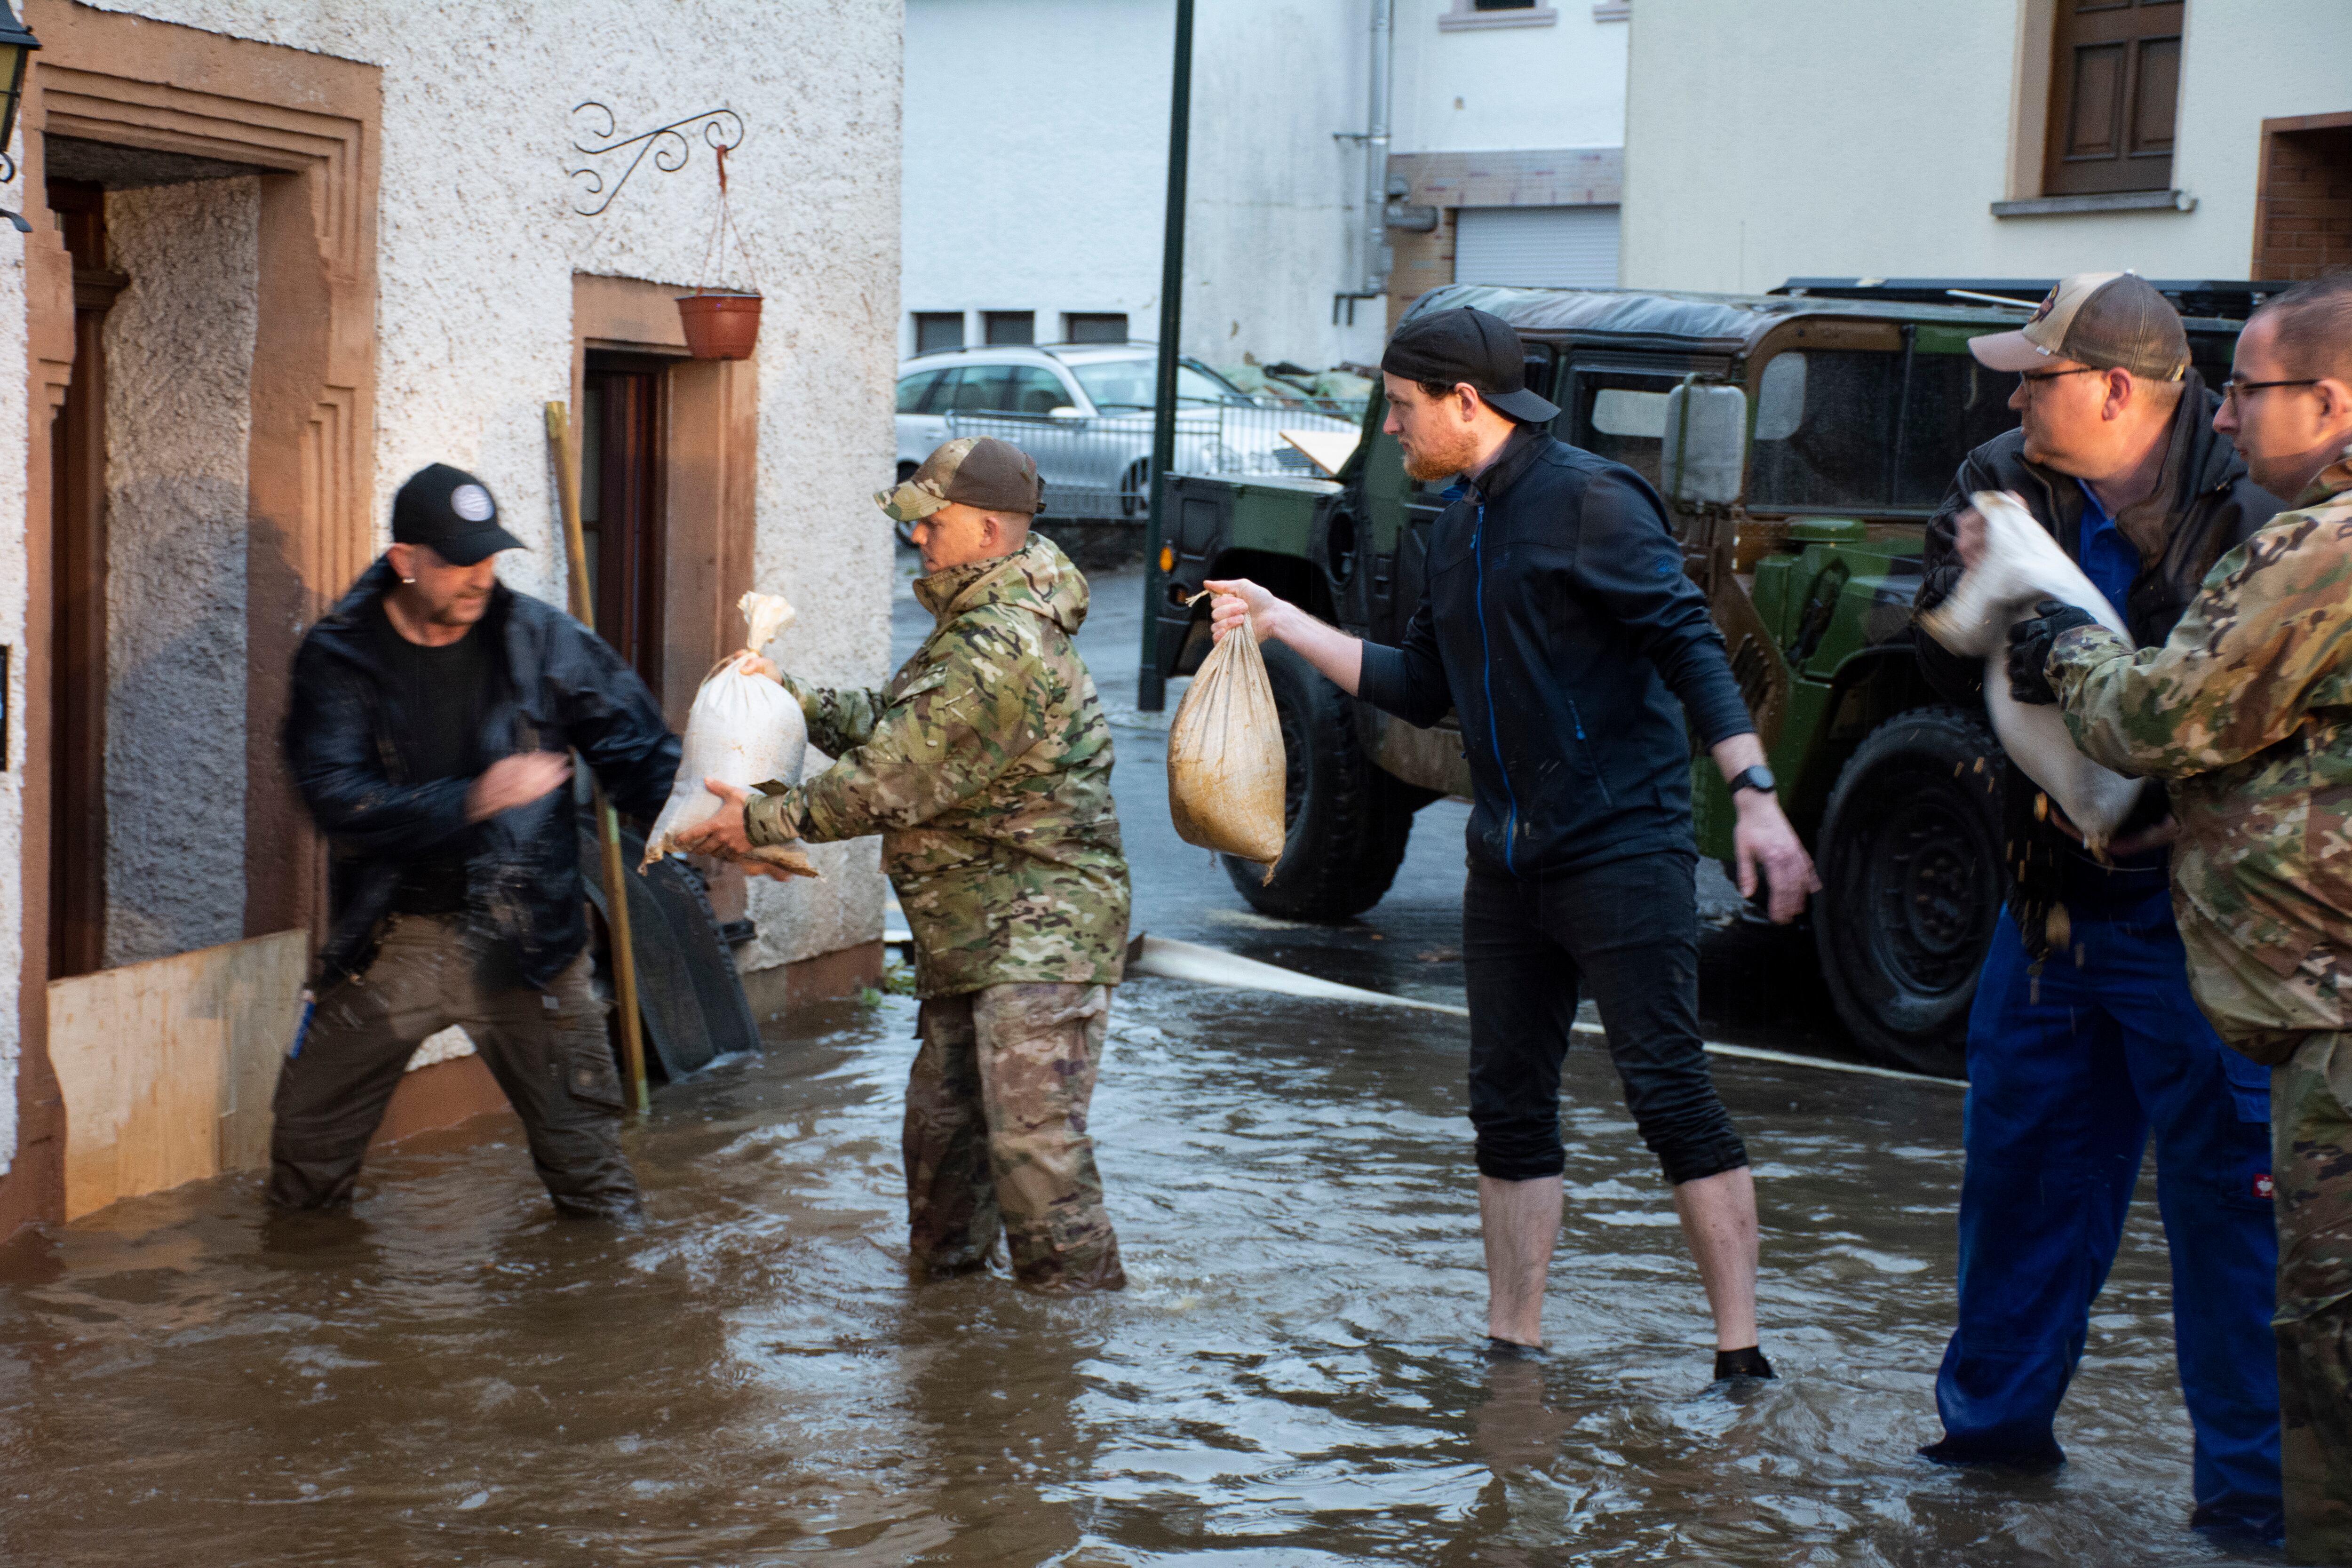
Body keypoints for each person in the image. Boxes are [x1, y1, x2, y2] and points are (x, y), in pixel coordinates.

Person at [1206, 306, 1818, 1376]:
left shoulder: (1588, 497)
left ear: (1464, 402)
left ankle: (1740, 1352)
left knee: (1668, 1090)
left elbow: (1689, 644)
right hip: (1508, 856)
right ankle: (1513, 1343)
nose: (1389, 430)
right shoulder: (1457, 523)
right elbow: (1425, 688)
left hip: (1622, 846)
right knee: (1505, 1103)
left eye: (1400, 408)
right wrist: (1281, 621)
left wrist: (1753, 792)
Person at [1908, 272, 2284, 1536]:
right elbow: (1928, 631)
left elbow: (2236, 720)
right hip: (2051, 907)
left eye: (2039, 374)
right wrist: (1957, 603)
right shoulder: (2004, 471)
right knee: (2023, 1179)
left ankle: (2251, 1507)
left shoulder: (2262, 504)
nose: (2014, 394)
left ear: (2119, 389)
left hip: (2206, 926)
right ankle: (1986, 1461)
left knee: (2234, 1212)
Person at [2012, 271, 2352, 1563]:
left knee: (2325, 1351)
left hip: (2331, 1011)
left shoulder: (2320, 543)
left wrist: (2064, 651)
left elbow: (2160, 714)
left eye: (2250, 388)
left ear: (2330, 400)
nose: (2224, 416)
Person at [678, 437, 1132, 1293]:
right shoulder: (973, 626)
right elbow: (896, 725)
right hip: (975, 937)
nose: (917, 540)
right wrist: (791, 697)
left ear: (991, 531)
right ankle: (954, 1340)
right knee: (942, 1147)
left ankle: (1077, 1354)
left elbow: (891, 779)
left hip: (1040, 937)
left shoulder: (1001, 644)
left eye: (933, 523)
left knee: (1037, 1161)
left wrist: (761, 821)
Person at [273, 463, 680, 1220]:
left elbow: (638, 750)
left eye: (490, 558)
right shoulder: (338, 656)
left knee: (593, 1179)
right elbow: (334, 797)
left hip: (528, 939)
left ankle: (610, 1325)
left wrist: (721, 823)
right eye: (461, 561)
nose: (480, 577)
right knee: (305, 1158)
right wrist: (470, 798)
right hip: (390, 940)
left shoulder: (540, 638)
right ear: (405, 562)